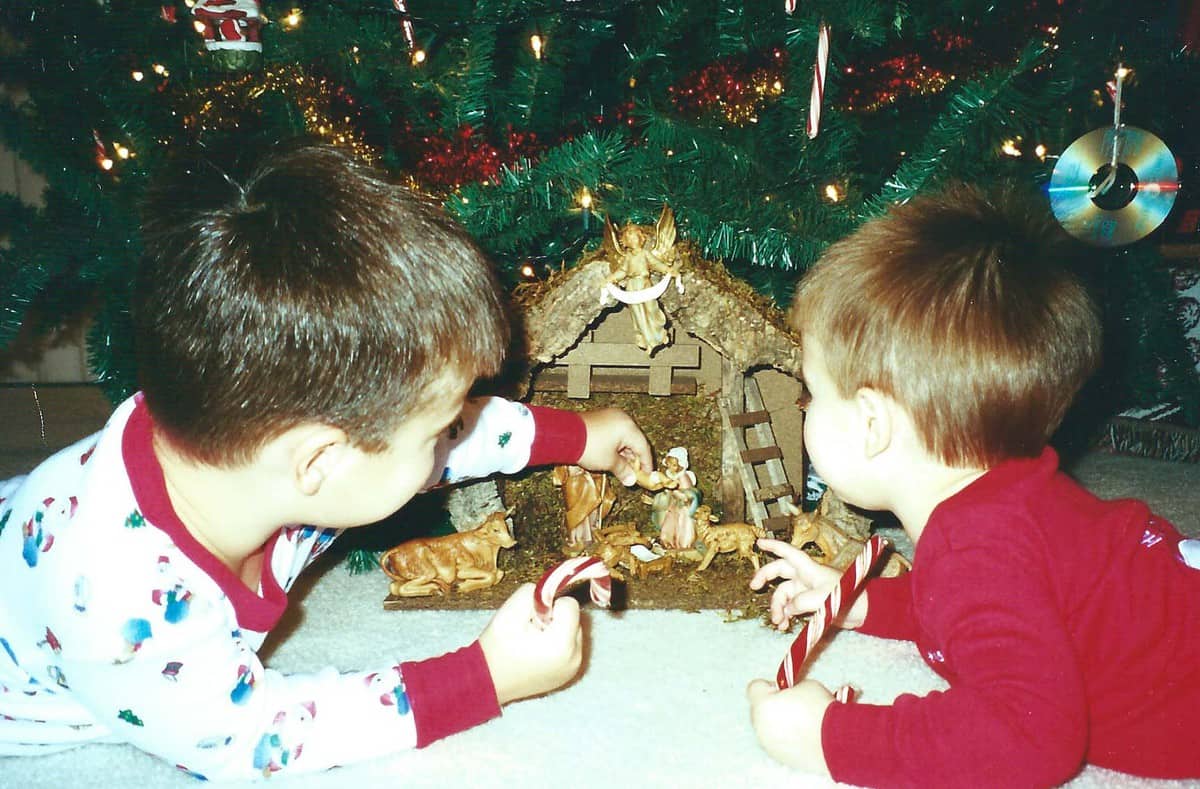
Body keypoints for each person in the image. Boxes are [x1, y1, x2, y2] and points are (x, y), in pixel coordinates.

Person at [0, 146, 654, 780]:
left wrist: (579, 436)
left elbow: (442, 442)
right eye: (435, 431)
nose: (450, 439)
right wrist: (485, 676)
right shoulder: (123, 610)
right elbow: (253, 737)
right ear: (318, 462)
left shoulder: (255, 445)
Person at [745, 184, 1200, 786]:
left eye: (812, 394)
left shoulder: (974, 549)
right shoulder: (1013, 494)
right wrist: (864, 604)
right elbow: (1003, 607)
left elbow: (1028, 740)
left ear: (873, 424)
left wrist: (829, 737)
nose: (803, 410)